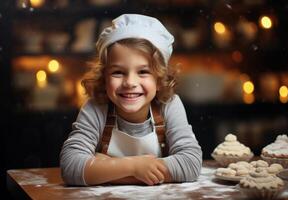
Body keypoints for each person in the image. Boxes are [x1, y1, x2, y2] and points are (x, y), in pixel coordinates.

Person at [60, 14, 202, 186]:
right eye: (118, 72)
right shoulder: (96, 108)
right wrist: (134, 167)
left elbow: (190, 163)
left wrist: (103, 168)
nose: (130, 83)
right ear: (104, 77)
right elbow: (70, 166)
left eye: (143, 72)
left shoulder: (169, 105)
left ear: (159, 80)